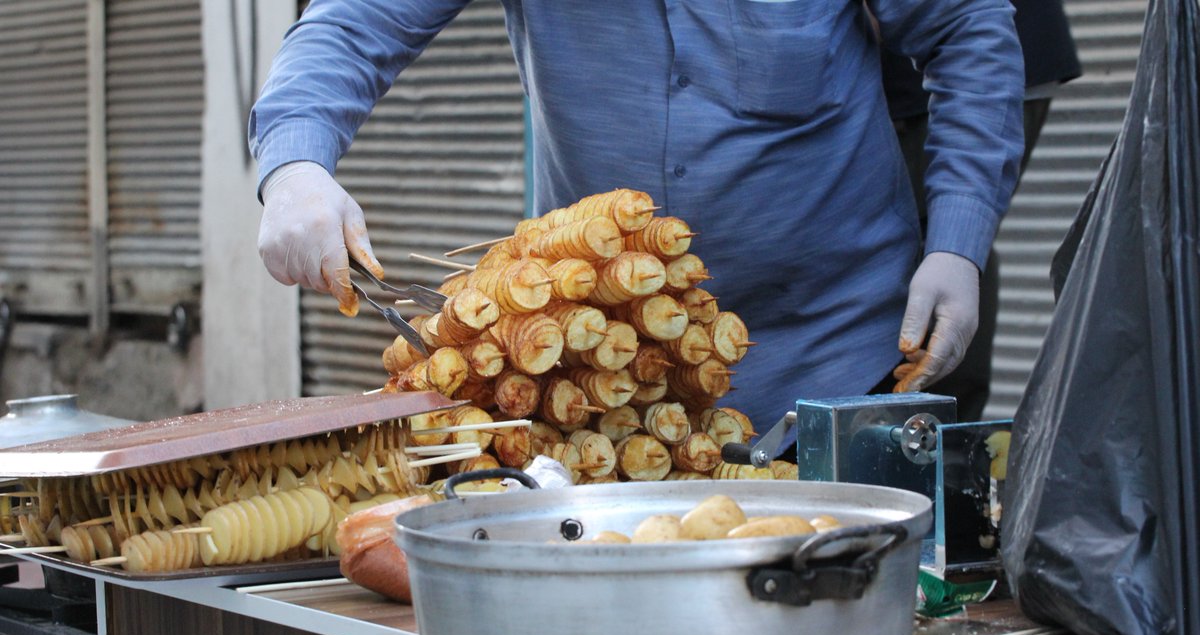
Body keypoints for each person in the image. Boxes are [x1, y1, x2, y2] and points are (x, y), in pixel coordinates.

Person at [250, 0, 1025, 431]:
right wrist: (295, 166)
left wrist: (958, 240)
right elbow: (354, 25)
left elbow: (966, 29)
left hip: (845, 361)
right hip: (609, 380)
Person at [881, 0, 1081, 420]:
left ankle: (941, 449)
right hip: (937, 59)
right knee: (942, 254)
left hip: (973, 58)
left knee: (942, 253)